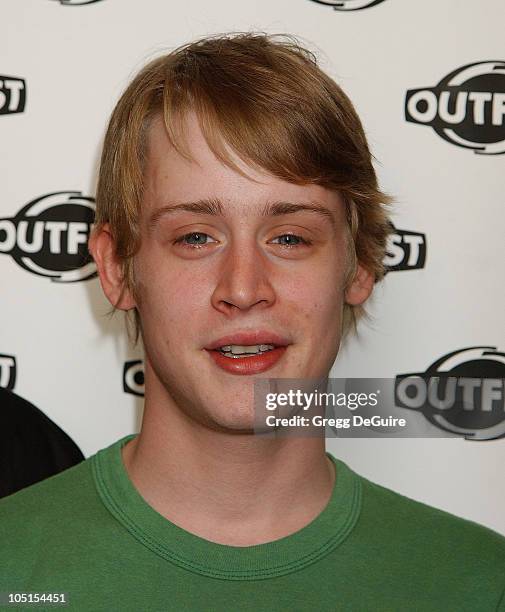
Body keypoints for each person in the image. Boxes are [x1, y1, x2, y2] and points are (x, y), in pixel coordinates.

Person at [1, 32, 504, 611]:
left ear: (360, 262)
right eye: (195, 238)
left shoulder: (479, 585)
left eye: (290, 237)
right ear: (116, 267)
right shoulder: (10, 565)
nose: (243, 289)